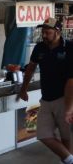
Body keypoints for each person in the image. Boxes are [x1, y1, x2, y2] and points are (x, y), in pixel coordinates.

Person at [16, 18, 73, 164]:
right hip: (46, 99)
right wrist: (23, 89)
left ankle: (66, 160)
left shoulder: (70, 48)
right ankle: (69, 159)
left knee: (66, 136)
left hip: (64, 98)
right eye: (43, 32)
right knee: (42, 134)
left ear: (58, 32)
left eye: (47, 32)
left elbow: (71, 80)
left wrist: (69, 107)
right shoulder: (40, 47)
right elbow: (30, 68)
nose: (44, 35)